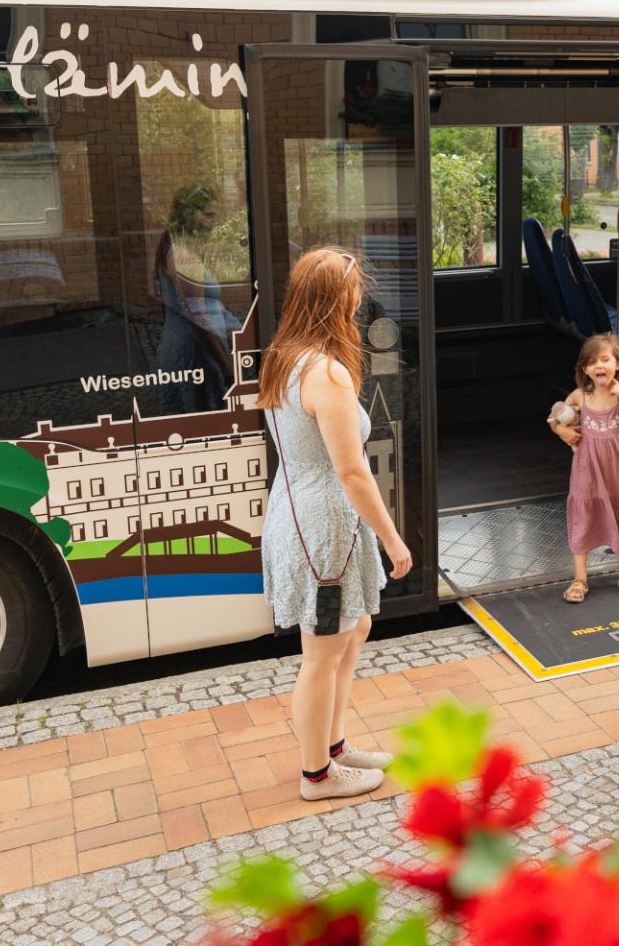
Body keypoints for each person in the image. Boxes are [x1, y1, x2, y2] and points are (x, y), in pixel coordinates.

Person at [257, 246, 414, 801]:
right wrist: (393, 539)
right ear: (335, 299)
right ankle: (316, 775)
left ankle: (334, 745)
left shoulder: (285, 354)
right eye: (353, 289)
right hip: (323, 526)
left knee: (352, 631)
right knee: (323, 652)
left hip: (299, 510)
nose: (360, 297)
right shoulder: (326, 372)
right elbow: (351, 471)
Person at [549, 332, 619, 604]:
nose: (599, 366)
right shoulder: (581, 396)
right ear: (585, 370)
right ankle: (580, 577)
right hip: (588, 470)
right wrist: (562, 431)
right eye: (592, 362)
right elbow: (555, 414)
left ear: (617, 364)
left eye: (605, 359)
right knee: (584, 514)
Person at [155, 183, 241, 413]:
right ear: (189, 213)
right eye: (208, 214)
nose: (214, 221)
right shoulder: (183, 255)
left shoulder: (175, 246)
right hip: (196, 351)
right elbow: (198, 318)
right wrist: (227, 367)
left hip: (189, 344)